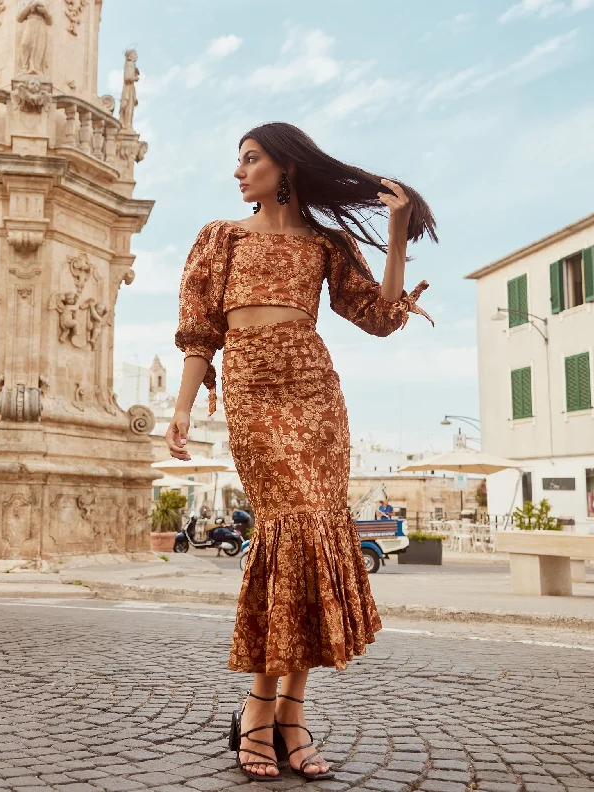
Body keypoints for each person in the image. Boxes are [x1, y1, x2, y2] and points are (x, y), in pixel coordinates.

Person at [166, 123, 436, 781]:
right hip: (254, 391)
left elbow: (377, 315)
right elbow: (201, 331)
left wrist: (397, 235)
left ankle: (291, 711)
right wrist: (181, 405)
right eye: (238, 163)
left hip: (314, 392)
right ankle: (262, 708)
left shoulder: (326, 243)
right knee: (287, 532)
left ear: (285, 167)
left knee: (314, 537)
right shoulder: (220, 237)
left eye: (251, 160)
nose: (239, 173)